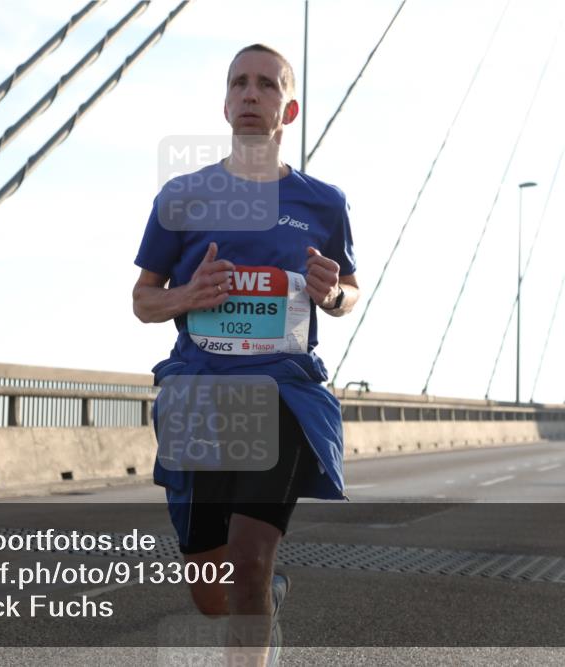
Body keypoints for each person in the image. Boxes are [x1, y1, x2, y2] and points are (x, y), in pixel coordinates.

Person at [132, 43, 359, 666]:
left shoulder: (323, 203)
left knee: (252, 560)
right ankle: (262, 602)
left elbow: (348, 294)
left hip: (282, 393)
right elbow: (143, 301)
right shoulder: (183, 197)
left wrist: (331, 292)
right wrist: (188, 294)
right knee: (211, 590)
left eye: (265, 85)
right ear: (227, 102)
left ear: (287, 108)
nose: (251, 94)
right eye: (240, 84)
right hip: (202, 395)